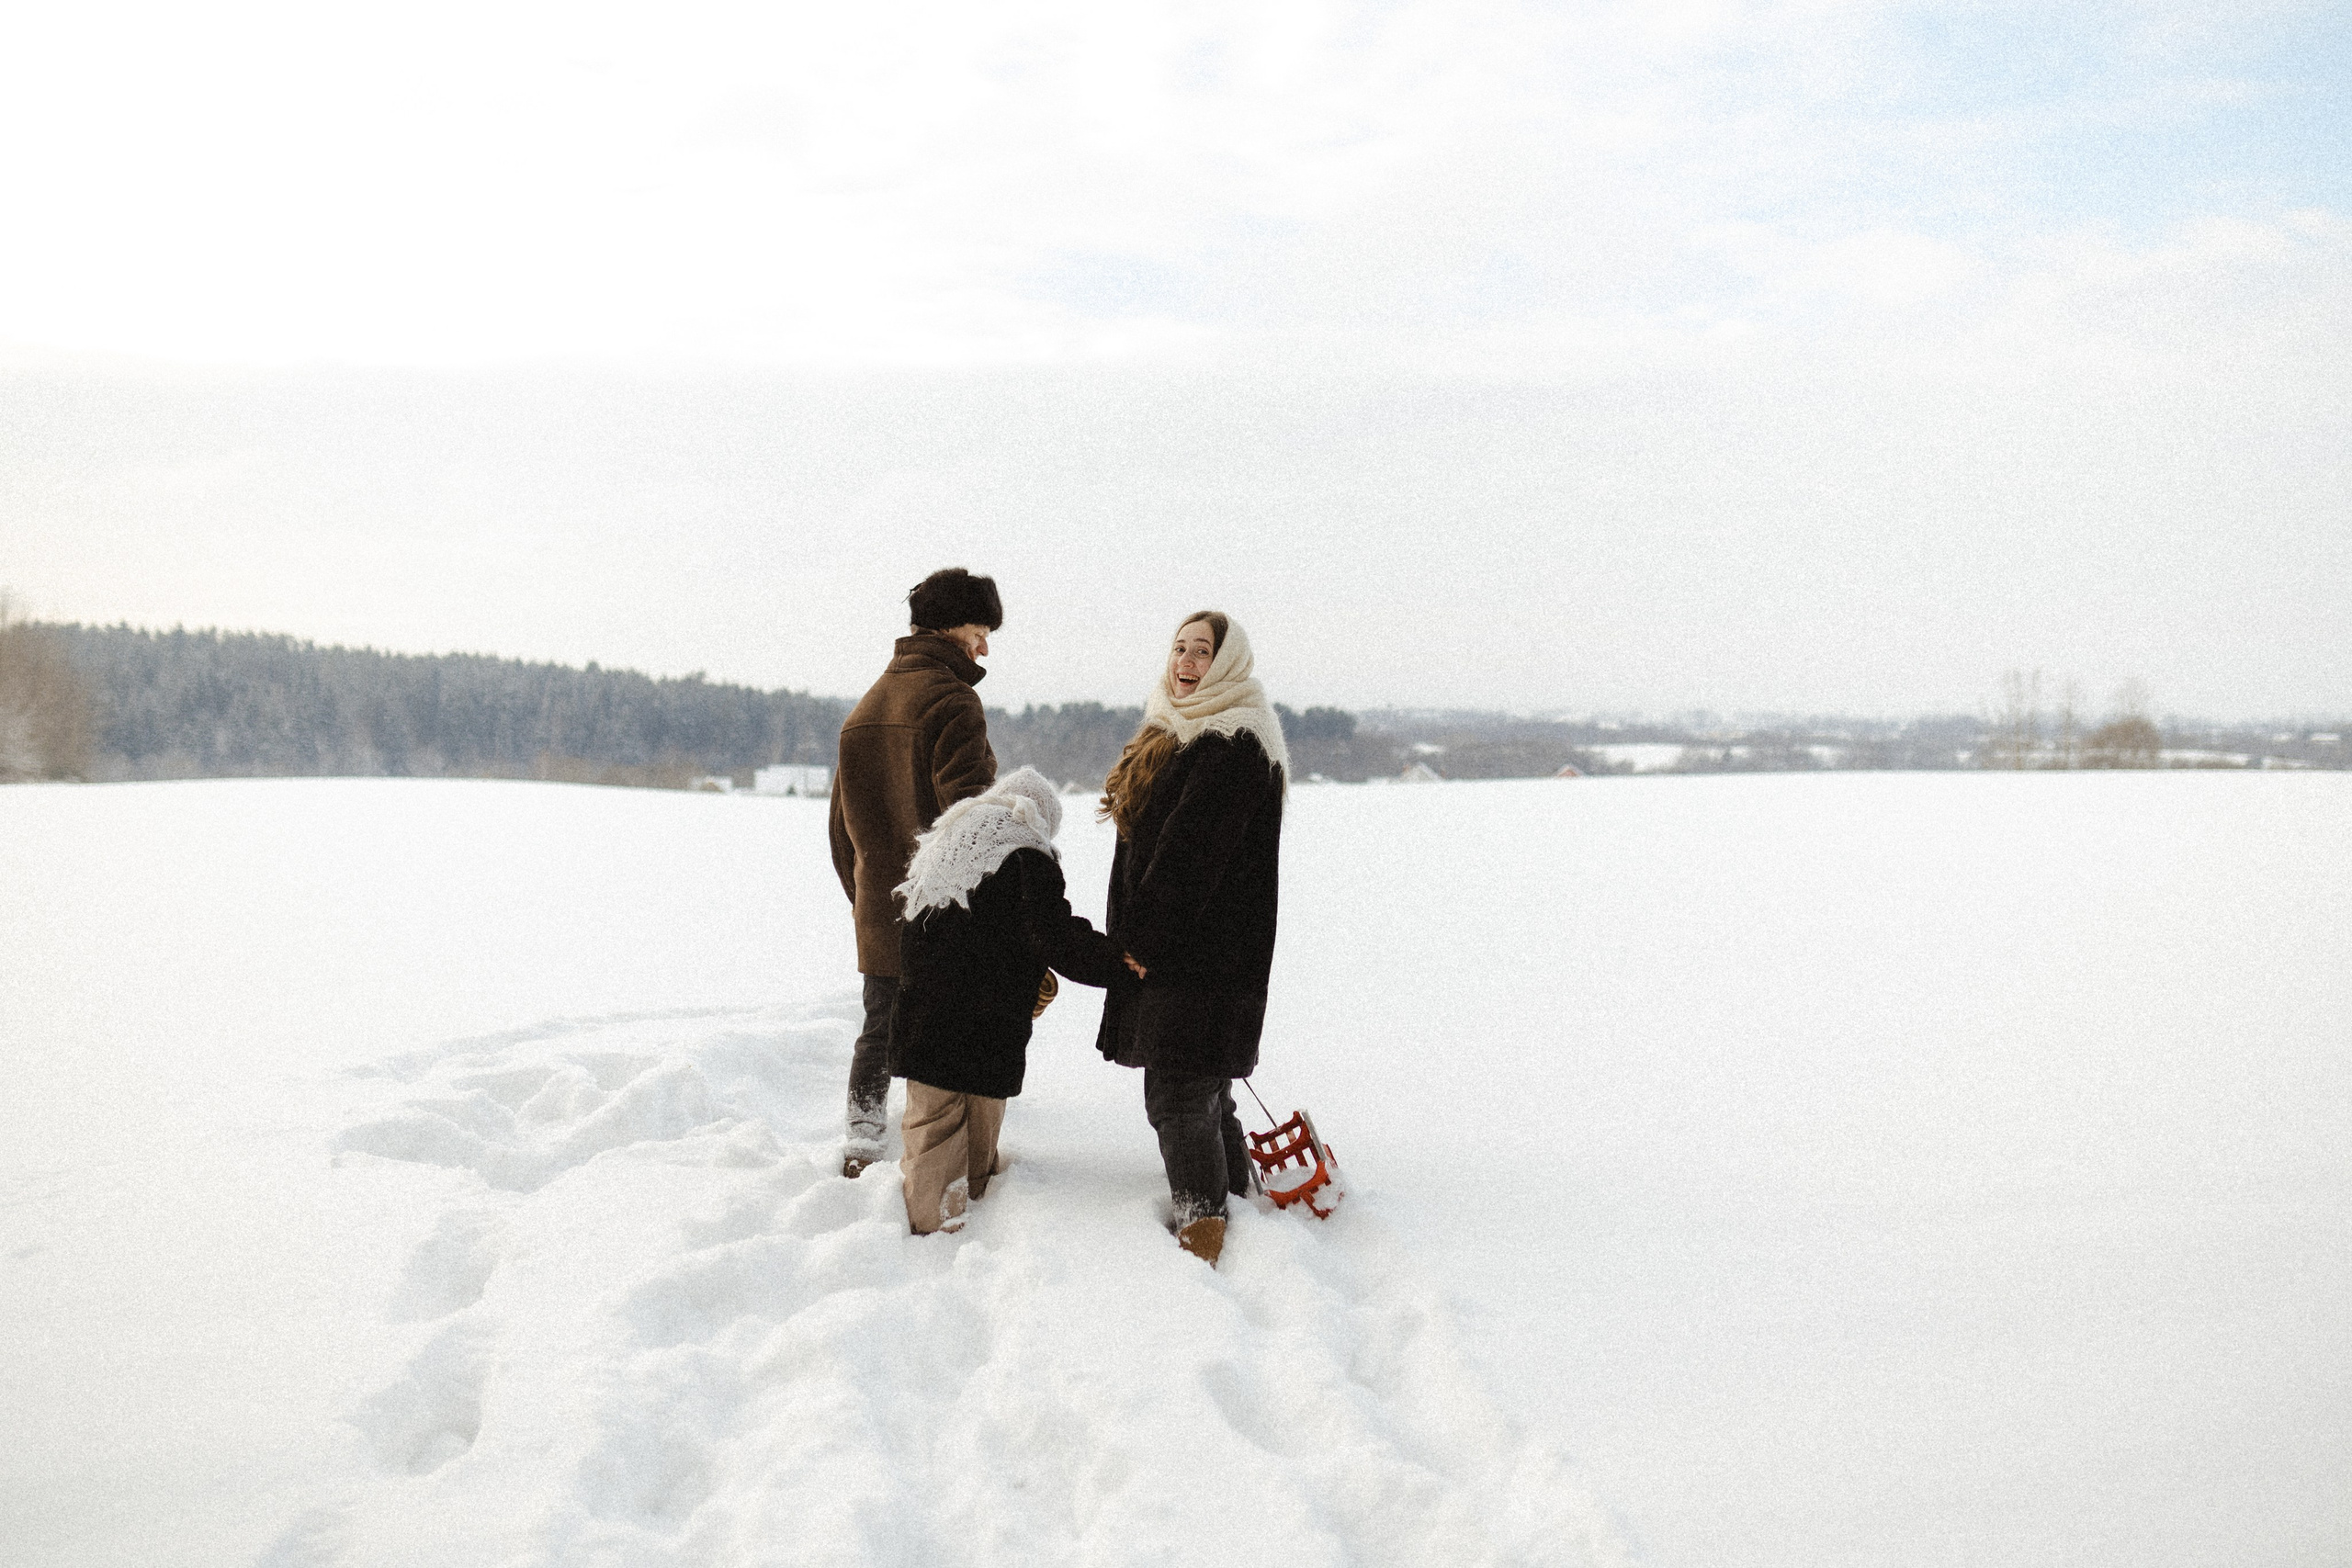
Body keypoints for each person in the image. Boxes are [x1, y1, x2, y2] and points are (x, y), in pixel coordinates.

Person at [1094, 611, 1288, 1269]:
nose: (1185, 661)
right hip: (1189, 956)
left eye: (1202, 651)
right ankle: (1238, 1200)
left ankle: (1204, 1228)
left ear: (1227, 663)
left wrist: (1141, 942)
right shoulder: (1179, 729)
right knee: (1205, 1089)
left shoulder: (1232, 741)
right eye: (1179, 647)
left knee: (1178, 1092)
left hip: (1202, 957)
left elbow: (1190, 858)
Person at [889, 767, 1132, 1235]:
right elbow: (1055, 936)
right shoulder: (1027, 857)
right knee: (979, 1132)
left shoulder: (944, 847)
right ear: (1040, 819)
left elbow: (942, 932)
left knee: (932, 1132)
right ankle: (961, 1232)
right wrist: (1119, 963)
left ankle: (933, 1234)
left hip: (925, 1017)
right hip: (987, 1024)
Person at [829, 567, 1001, 1179]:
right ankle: (942, 1163)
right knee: (949, 1043)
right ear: (952, 627)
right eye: (981, 630)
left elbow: (840, 833)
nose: (985, 647)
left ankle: (861, 1139)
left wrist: (870, 899)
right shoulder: (953, 701)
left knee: (880, 1028)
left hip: (880, 908)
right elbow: (970, 822)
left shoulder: (864, 709)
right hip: (945, 913)